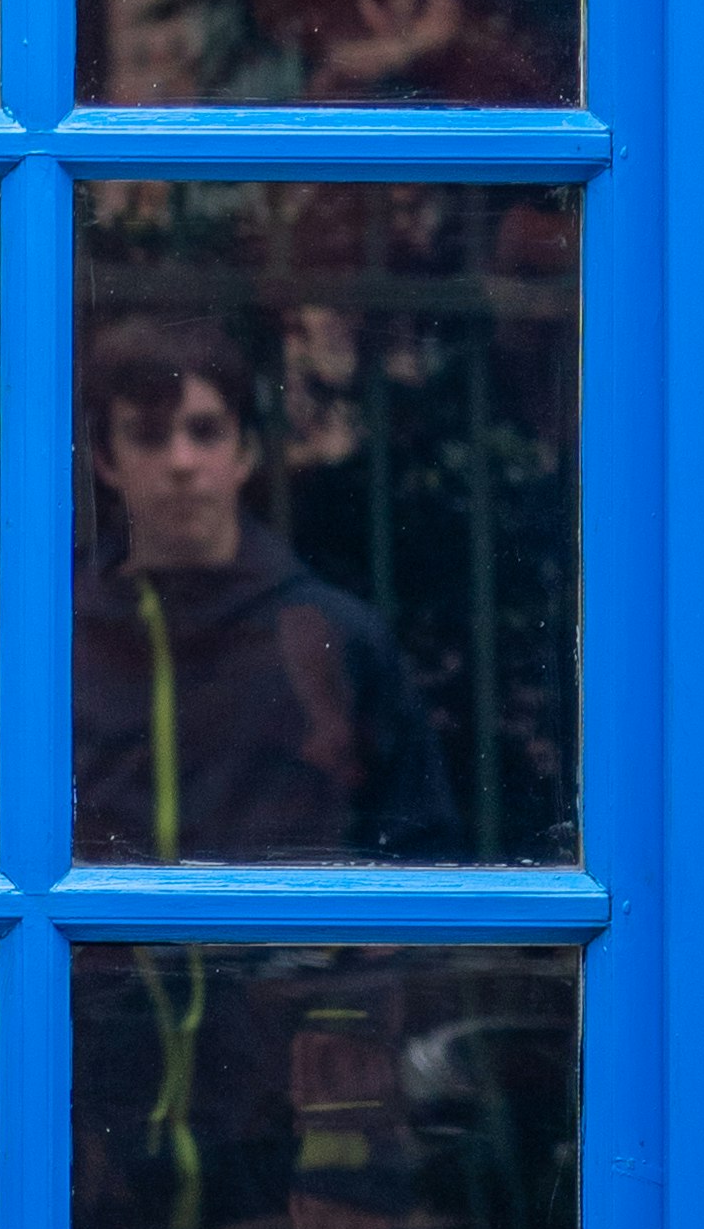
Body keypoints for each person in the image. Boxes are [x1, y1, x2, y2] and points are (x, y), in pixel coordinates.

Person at [70, 308, 454, 862]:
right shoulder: (62, 636)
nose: (181, 462)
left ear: (245, 450)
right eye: (149, 436)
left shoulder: (336, 635)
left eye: (205, 431)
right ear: (107, 460)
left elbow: (420, 853)